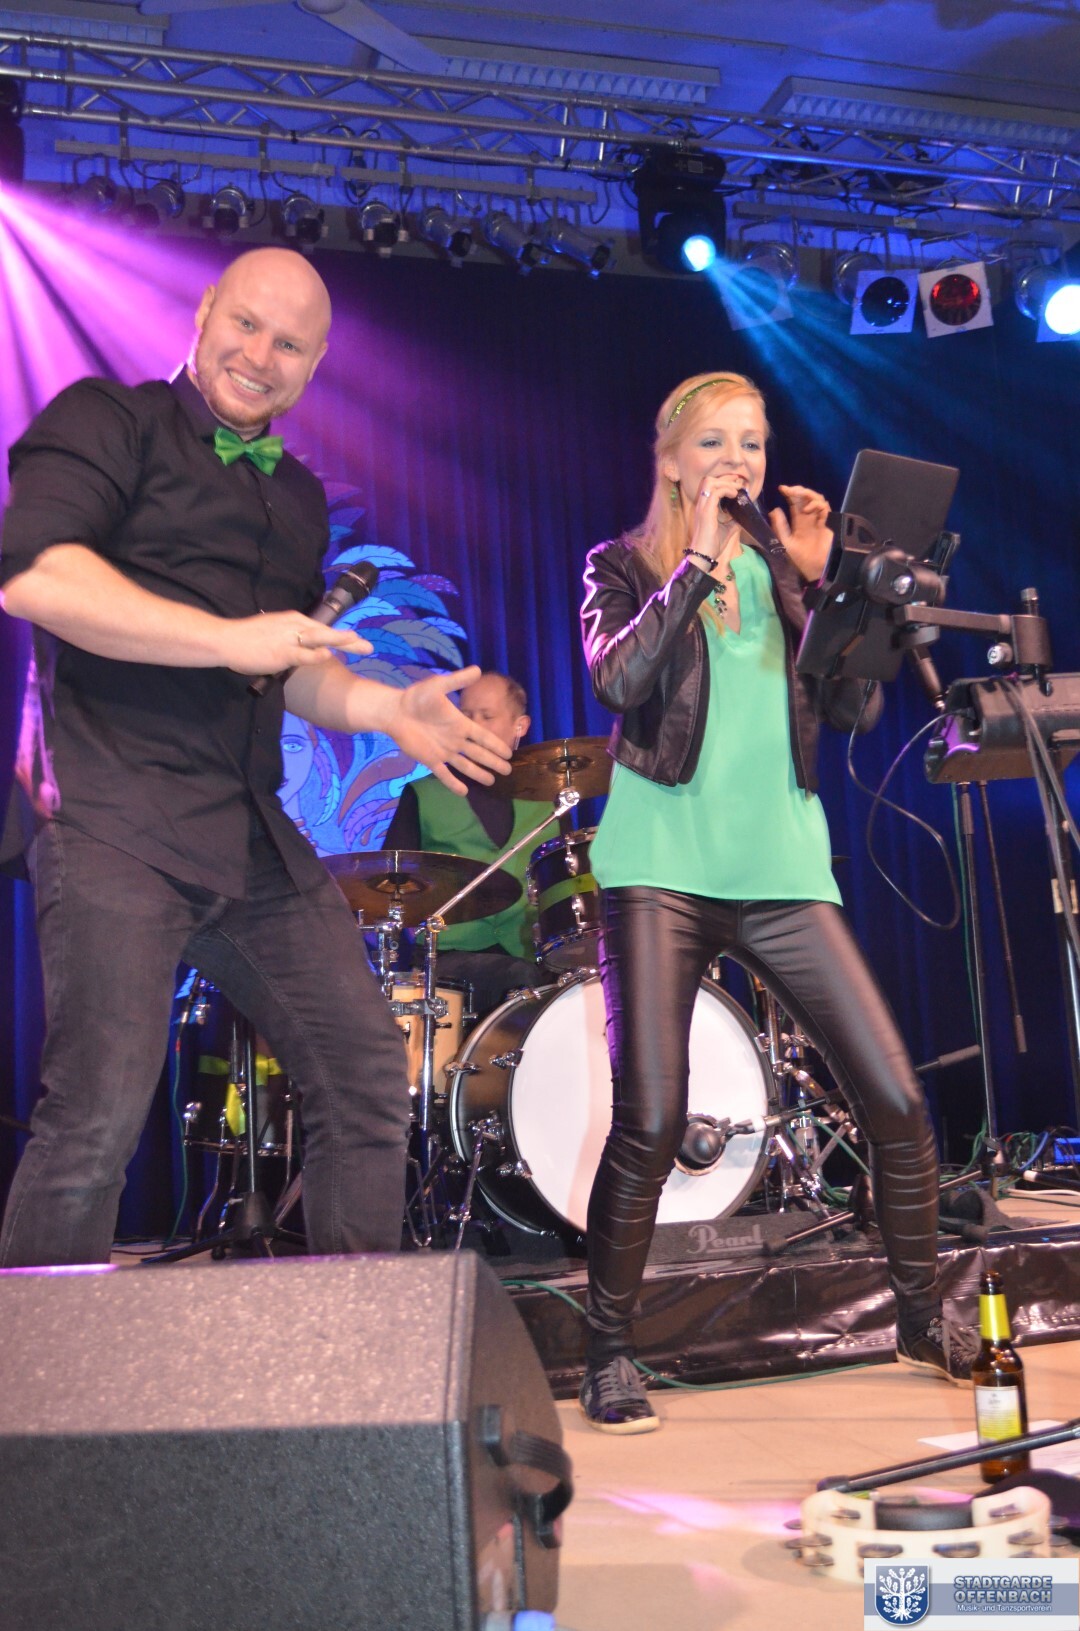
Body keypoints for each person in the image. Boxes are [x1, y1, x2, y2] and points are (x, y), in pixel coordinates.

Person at [0, 246, 510, 1268]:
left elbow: (289, 668)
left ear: (313, 366)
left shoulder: (298, 498)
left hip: (251, 837)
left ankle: (353, 1354)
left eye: (289, 344)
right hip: (113, 814)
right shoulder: (108, 419)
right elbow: (38, 580)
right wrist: (228, 637)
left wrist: (390, 707)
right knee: (96, 1115)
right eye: (246, 324)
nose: (260, 355)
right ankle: (34, 1369)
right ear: (203, 314)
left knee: (366, 1075)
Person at [576, 371, 978, 1433]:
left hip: (785, 873)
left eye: (752, 442)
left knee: (896, 1101)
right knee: (651, 1120)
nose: (739, 461)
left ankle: (917, 1317)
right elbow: (619, 682)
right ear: (672, 460)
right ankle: (608, 1352)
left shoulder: (788, 574)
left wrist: (825, 590)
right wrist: (698, 563)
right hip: (662, 871)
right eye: (715, 441)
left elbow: (853, 709)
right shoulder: (622, 566)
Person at [384, 670, 550, 1017]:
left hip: (528, 951)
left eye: (487, 716)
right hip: (448, 956)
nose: (472, 725)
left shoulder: (548, 799)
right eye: (466, 715)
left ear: (520, 726)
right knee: (519, 978)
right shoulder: (423, 794)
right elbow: (386, 887)